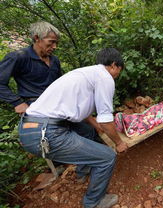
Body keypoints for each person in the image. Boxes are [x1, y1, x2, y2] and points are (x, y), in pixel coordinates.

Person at [18, 48, 128, 208]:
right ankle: (94, 201)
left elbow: (80, 109)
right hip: (47, 133)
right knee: (107, 157)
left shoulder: (85, 74)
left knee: (88, 131)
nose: (118, 74)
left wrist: (95, 125)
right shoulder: (105, 77)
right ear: (113, 65)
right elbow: (106, 120)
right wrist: (119, 143)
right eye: (119, 70)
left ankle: (82, 172)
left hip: (30, 127)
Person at [0, 21, 62, 114]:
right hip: (35, 108)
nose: (55, 46)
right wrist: (17, 103)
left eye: (56, 43)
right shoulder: (19, 57)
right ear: (37, 38)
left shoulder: (55, 60)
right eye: (51, 42)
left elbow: (60, 85)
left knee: (86, 128)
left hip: (58, 107)